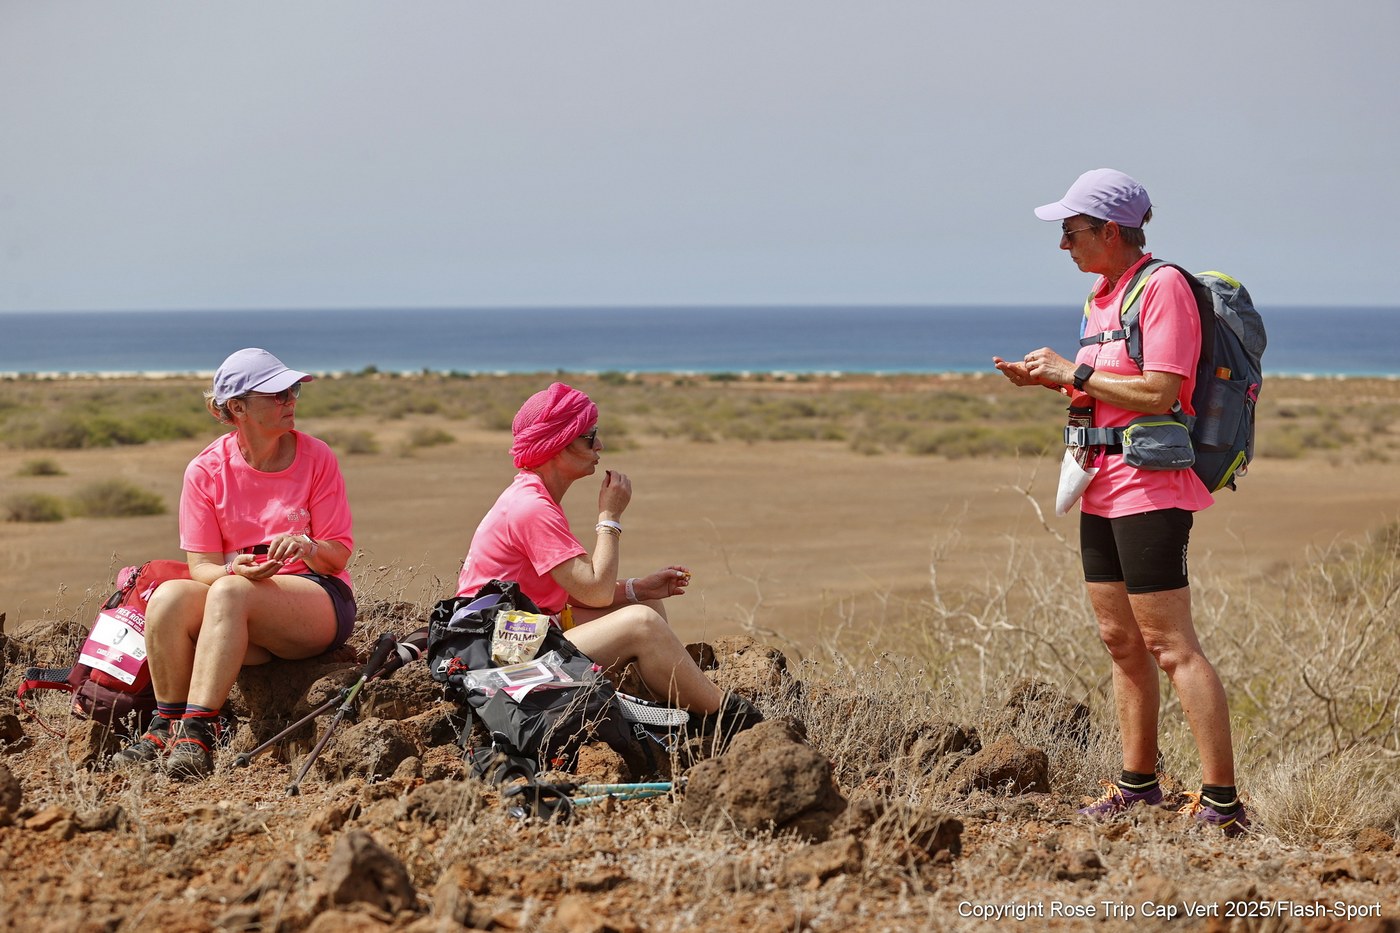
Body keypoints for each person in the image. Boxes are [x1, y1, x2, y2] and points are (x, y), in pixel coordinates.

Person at [993, 169, 1246, 835]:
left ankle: (1224, 805)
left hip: (1151, 488)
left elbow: (1161, 391)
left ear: (1110, 230)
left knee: (1170, 643)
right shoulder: (1100, 298)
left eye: (1070, 231)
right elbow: (1105, 388)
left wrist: (1071, 370)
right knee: (1119, 640)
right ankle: (1139, 788)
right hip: (1099, 485)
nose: (1063, 245)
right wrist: (1053, 382)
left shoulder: (1162, 288)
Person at [456, 382, 759, 733]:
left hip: (517, 636)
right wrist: (610, 517)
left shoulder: (531, 496)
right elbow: (595, 592)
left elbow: (573, 591)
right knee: (642, 624)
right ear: (557, 444)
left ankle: (667, 708)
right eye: (589, 437)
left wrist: (638, 589)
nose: (599, 445)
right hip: (498, 657)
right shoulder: (531, 508)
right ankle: (731, 717)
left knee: (647, 607)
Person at [110, 348, 357, 779]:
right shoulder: (205, 470)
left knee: (229, 592)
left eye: (292, 391)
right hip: (240, 615)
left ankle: (198, 731)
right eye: (277, 394)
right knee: (168, 597)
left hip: (318, 601)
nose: (290, 400)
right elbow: (202, 568)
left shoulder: (317, 456)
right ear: (237, 407)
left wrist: (305, 545)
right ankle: (167, 725)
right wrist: (232, 570)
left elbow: (337, 556)